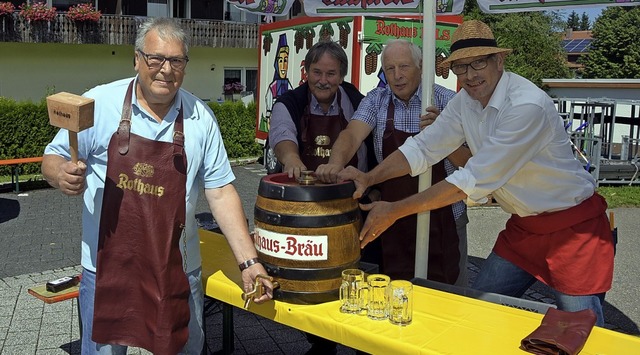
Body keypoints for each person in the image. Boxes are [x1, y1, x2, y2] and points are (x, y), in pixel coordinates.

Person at [338, 20, 614, 326]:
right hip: (525, 227)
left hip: (573, 228)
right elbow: (423, 147)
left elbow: (470, 180)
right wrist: (369, 178)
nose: (470, 75)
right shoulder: (464, 102)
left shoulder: (527, 106)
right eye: (461, 67)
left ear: (499, 60)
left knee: (582, 329)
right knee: (479, 306)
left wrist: (395, 210)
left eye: (478, 63)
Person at [42, 18, 273, 354]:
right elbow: (53, 155)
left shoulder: (200, 118)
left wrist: (249, 263)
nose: (166, 69)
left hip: (177, 269)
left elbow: (221, 192)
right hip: (107, 269)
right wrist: (60, 172)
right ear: (137, 59)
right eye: (156, 58)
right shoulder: (100, 103)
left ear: (184, 66)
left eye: (176, 61)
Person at [316, 39, 471, 285]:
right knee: (395, 293)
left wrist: (445, 134)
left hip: (445, 216)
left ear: (421, 67)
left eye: (404, 67)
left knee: (449, 297)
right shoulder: (377, 100)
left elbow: (471, 164)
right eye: (390, 69)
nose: (397, 76)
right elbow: (352, 134)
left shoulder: (449, 102)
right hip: (391, 218)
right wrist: (336, 163)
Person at [268, 40, 373, 179]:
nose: (323, 81)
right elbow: (282, 133)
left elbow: (357, 138)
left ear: (341, 77)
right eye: (317, 72)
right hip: (302, 196)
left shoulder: (358, 103)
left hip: (351, 195)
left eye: (330, 74)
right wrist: (291, 158)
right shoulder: (288, 103)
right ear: (307, 73)